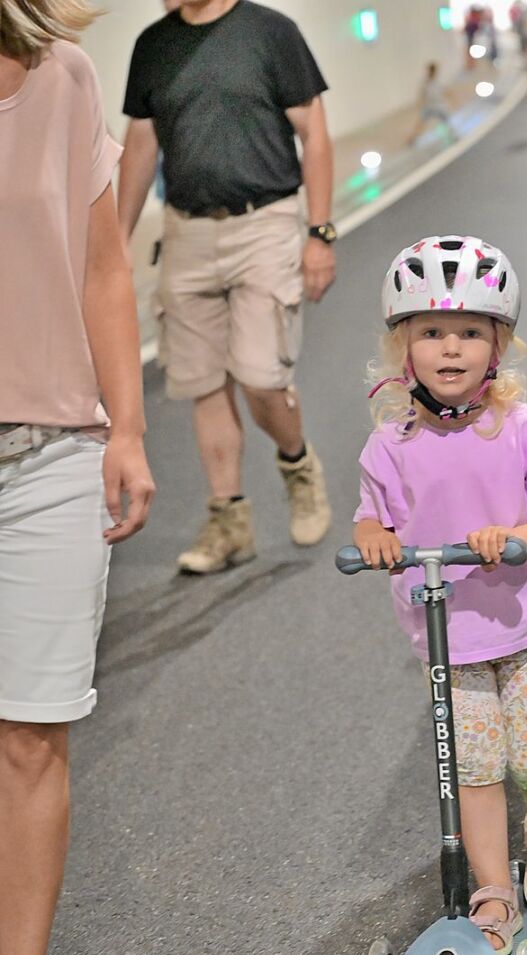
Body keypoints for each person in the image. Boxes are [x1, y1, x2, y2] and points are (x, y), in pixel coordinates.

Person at [352, 237, 527, 953]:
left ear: (498, 344)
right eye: (430, 333)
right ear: (403, 346)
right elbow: (374, 513)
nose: (449, 350)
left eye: (469, 333)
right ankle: (491, 890)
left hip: (525, 628)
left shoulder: (523, 428)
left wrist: (513, 535)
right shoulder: (390, 442)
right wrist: (370, 535)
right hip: (449, 638)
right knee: (475, 770)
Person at [0, 2, 155, 955]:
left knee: (30, 737)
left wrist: (128, 428)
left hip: (48, 453)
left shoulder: (60, 74)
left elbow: (103, 267)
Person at [118, 0, 334, 574]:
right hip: (186, 231)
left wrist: (320, 233)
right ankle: (229, 519)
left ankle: (297, 463)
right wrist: (115, 238)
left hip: (264, 222)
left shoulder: (270, 33)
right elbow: (142, 144)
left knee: (262, 376)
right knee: (202, 383)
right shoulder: (153, 45)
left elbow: (314, 133)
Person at [407, 61, 455, 145]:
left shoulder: (436, 82)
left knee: (445, 120)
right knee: (421, 122)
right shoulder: (426, 83)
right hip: (430, 106)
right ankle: (413, 139)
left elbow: (443, 91)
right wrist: (420, 104)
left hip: (438, 105)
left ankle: (450, 135)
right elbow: (422, 94)